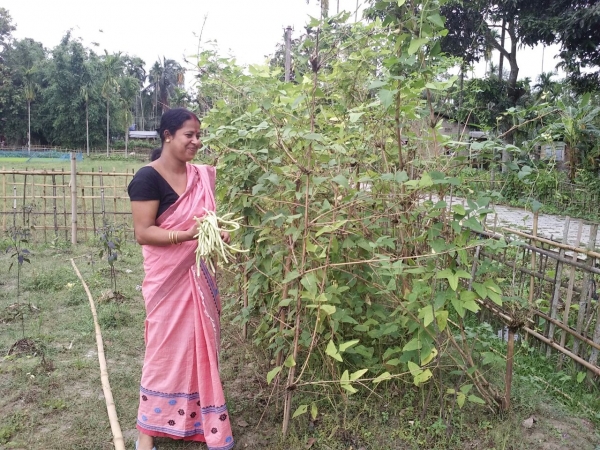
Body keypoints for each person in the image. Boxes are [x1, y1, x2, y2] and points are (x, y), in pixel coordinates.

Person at [127, 108, 234, 450]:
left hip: (197, 277)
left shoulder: (200, 176)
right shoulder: (147, 178)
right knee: (162, 350)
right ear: (168, 135)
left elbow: (206, 222)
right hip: (167, 281)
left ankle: (196, 418)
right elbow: (144, 232)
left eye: (199, 135)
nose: (196, 141)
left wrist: (216, 233)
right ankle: (148, 428)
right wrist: (187, 236)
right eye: (189, 134)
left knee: (199, 348)